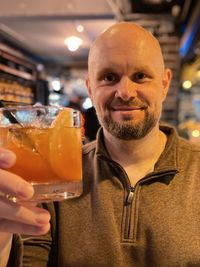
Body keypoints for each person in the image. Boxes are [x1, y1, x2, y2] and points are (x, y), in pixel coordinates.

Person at [0, 22, 200, 267]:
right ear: (90, 89)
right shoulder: (55, 181)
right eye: (109, 77)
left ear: (164, 84)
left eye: (140, 76)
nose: (125, 92)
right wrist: (2, 241)